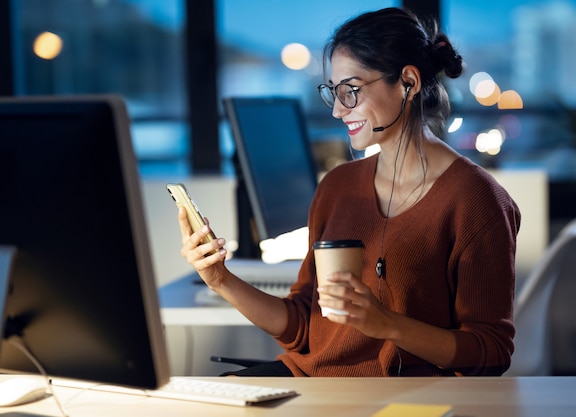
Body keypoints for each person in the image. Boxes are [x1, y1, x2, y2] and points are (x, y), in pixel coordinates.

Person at [177, 7, 521, 377]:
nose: (339, 111)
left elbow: (491, 352)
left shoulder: (476, 200)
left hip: (397, 399)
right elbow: (303, 326)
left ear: (408, 81)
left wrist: (387, 324)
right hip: (313, 382)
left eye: (351, 92)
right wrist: (220, 280)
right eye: (334, 93)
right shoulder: (337, 188)